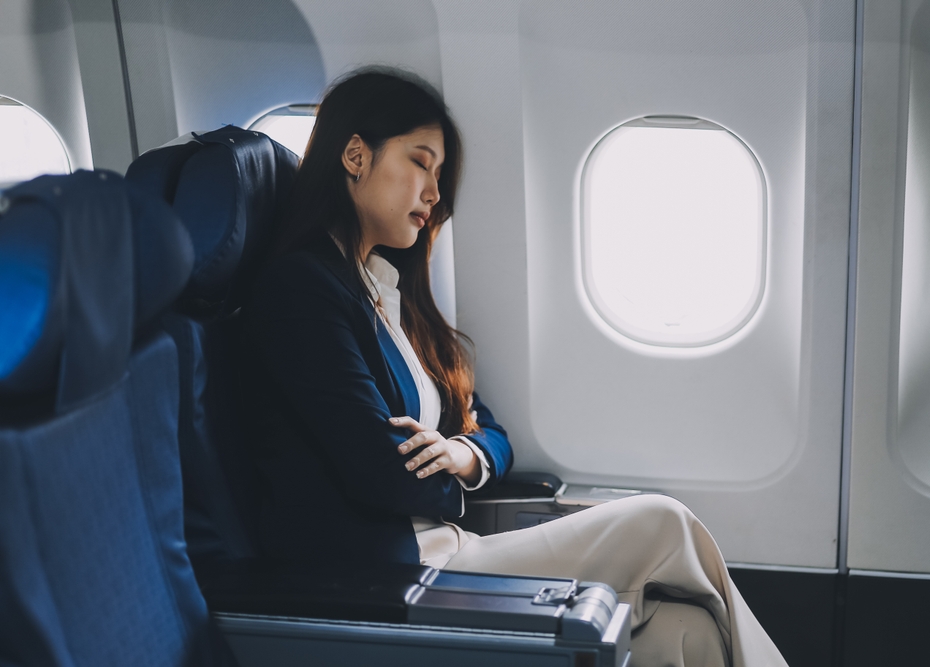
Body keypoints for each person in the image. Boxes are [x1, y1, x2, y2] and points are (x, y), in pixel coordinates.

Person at [241, 67, 788, 667]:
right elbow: (383, 476)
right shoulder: (302, 290)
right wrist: (446, 482)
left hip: (447, 548)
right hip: (398, 574)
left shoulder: (388, 292)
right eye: (421, 162)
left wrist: (463, 456)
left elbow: (489, 430)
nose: (434, 192)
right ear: (355, 155)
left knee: (688, 635)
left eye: (439, 174)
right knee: (662, 521)